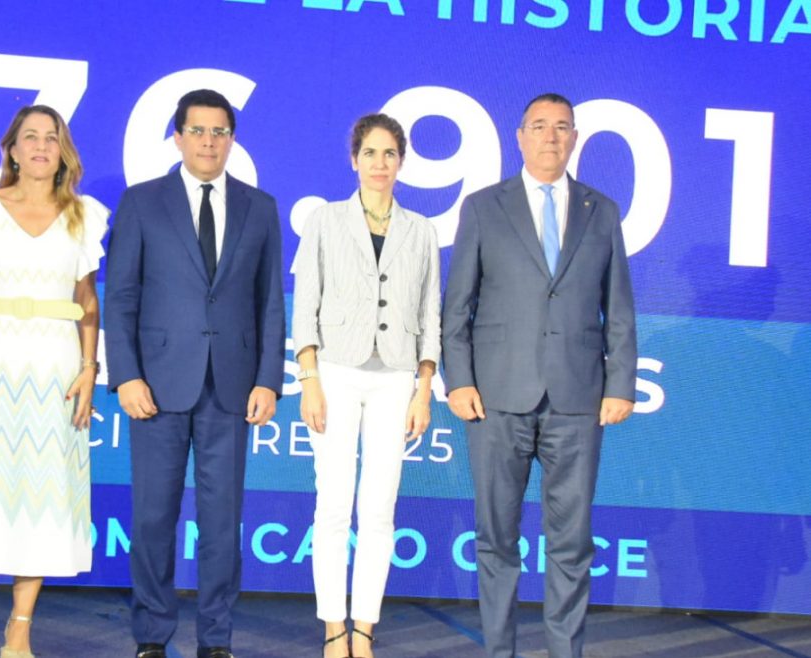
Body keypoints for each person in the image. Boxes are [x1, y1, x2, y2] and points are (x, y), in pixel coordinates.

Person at [441, 93, 637, 658]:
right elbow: (458, 305)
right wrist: (459, 379)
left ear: (574, 138)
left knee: (571, 543)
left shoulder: (602, 211)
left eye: (562, 127)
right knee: (496, 539)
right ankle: (499, 651)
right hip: (497, 397)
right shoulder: (484, 207)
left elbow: (618, 306)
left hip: (577, 398)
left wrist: (620, 383)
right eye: (540, 126)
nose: (551, 136)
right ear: (520, 136)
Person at [104, 89, 285, 658]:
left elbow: (270, 302)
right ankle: (152, 636)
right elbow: (121, 296)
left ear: (232, 140)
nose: (209, 142)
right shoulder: (142, 202)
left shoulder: (260, 207)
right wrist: (126, 375)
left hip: (231, 387)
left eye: (220, 132)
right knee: (153, 518)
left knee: (222, 523)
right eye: (198, 131)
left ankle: (216, 639)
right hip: (155, 386)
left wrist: (268, 379)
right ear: (178, 137)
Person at [0, 104, 108, 658]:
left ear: (63, 150)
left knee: (43, 498)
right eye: (30, 137)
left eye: (51, 137)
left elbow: (87, 302)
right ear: (11, 149)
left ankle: (20, 630)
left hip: (56, 367)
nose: (40, 146)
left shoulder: (83, 215)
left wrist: (89, 369)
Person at [292, 114, 441, 658]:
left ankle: (364, 629)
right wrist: (309, 379)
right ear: (354, 159)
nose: (380, 164)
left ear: (402, 162)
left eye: (390, 153)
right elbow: (305, 305)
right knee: (333, 506)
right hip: (334, 371)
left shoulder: (421, 230)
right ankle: (334, 629)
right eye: (371, 153)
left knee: (379, 510)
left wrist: (424, 387)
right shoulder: (325, 221)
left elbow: (429, 313)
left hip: (396, 377)